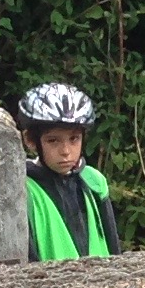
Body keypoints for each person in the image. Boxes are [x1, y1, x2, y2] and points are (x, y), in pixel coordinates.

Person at [17, 83, 121, 261]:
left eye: (74, 139)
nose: (66, 151)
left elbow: (114, 249)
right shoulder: (23, 190)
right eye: (53, 141)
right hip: (52, 286)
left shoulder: (94, 181)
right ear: (30, 141)